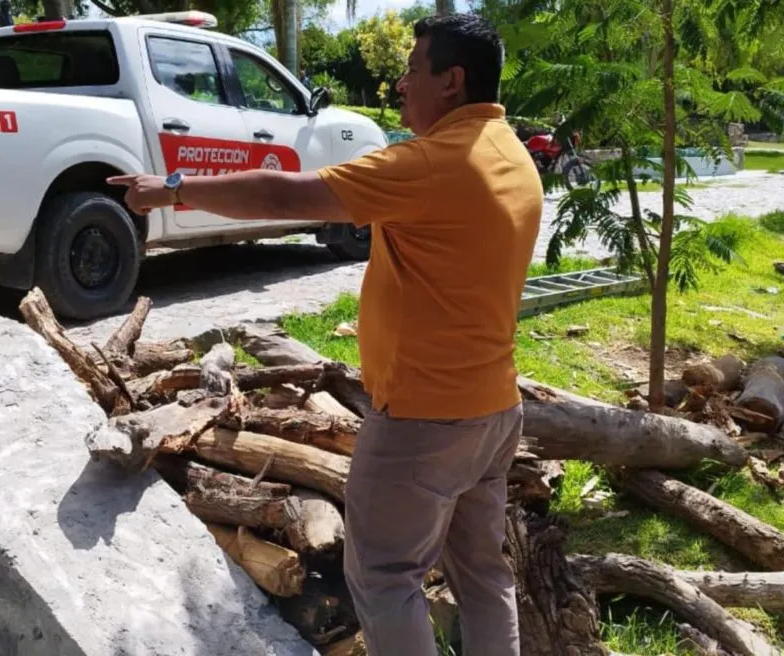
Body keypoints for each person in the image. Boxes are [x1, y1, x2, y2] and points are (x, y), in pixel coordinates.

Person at [109, 12, 541, 655]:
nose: (400, 85)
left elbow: (286, 196)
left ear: (451, 81)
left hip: (423, 422)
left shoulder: (428, 165)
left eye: (412, 70)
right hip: (493, 412)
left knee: (385, 578)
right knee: (483, 576)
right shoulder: (513, 154)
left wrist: (170, 188)